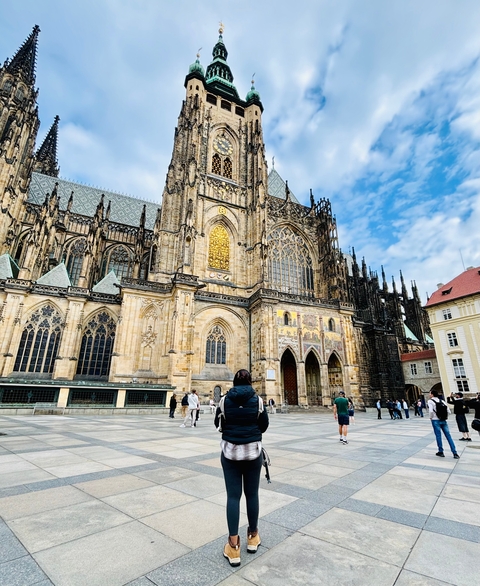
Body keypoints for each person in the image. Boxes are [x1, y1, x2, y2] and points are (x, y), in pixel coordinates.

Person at [214, 369, 269, 567]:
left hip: (230, 453)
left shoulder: (224, 400)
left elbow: (217, 423)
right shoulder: (258, 400)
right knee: (252, 494)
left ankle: (234, 545)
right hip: (253, 452)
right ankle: (253, 537)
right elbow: (264, 425)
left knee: (233, 496)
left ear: (234, 382)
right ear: (250, 382)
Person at [428, 389, 459, 459]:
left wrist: (431, 417)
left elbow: (430, 411)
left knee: (438, 436)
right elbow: (449, 411)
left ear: (432, 394)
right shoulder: (442, 401)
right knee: (448, 436)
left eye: (430, 393)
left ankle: (441, 451)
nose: (429, 395)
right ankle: (455, 453)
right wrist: (444, 416)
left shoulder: (430, 401)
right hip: (443, 420)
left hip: (435, 420)